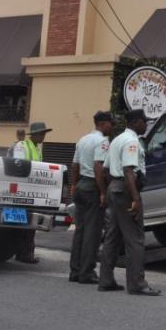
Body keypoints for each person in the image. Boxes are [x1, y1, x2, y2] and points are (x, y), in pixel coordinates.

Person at [98, 109, 160, 296]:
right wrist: (135, 198)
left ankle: (106, 280)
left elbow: (106, 169)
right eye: (144, 122)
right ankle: (137, 284)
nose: (146, 125)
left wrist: (114, 187)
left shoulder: (117, 140)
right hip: (126, 191)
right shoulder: (131, 141)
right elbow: (128, 170)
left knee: (112, 237)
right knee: (135, 239)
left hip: (115, 189)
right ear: (135, 122)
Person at [68, 111, 113, 284]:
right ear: (103, 123)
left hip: (81, 186)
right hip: (93, 187)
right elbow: (98, 167)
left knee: (80, 230)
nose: (111, 127)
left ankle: (75, 270)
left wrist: (74, 185)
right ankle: (86, 272)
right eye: (110, 123)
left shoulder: (83, 139)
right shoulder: (102, 141)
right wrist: (103, 192)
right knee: (92, 233)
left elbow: (74, 165)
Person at [11, 121, 52, 264]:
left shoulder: (37, 149)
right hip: (23, 191)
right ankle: (24, 253)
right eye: (41, 134)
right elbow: (18, 167)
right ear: (34, 135)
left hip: (32, 192)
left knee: (29, 225)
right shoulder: (22, 146)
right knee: (25, 225)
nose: (43, 136)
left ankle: (25, 253)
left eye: (44, 134)